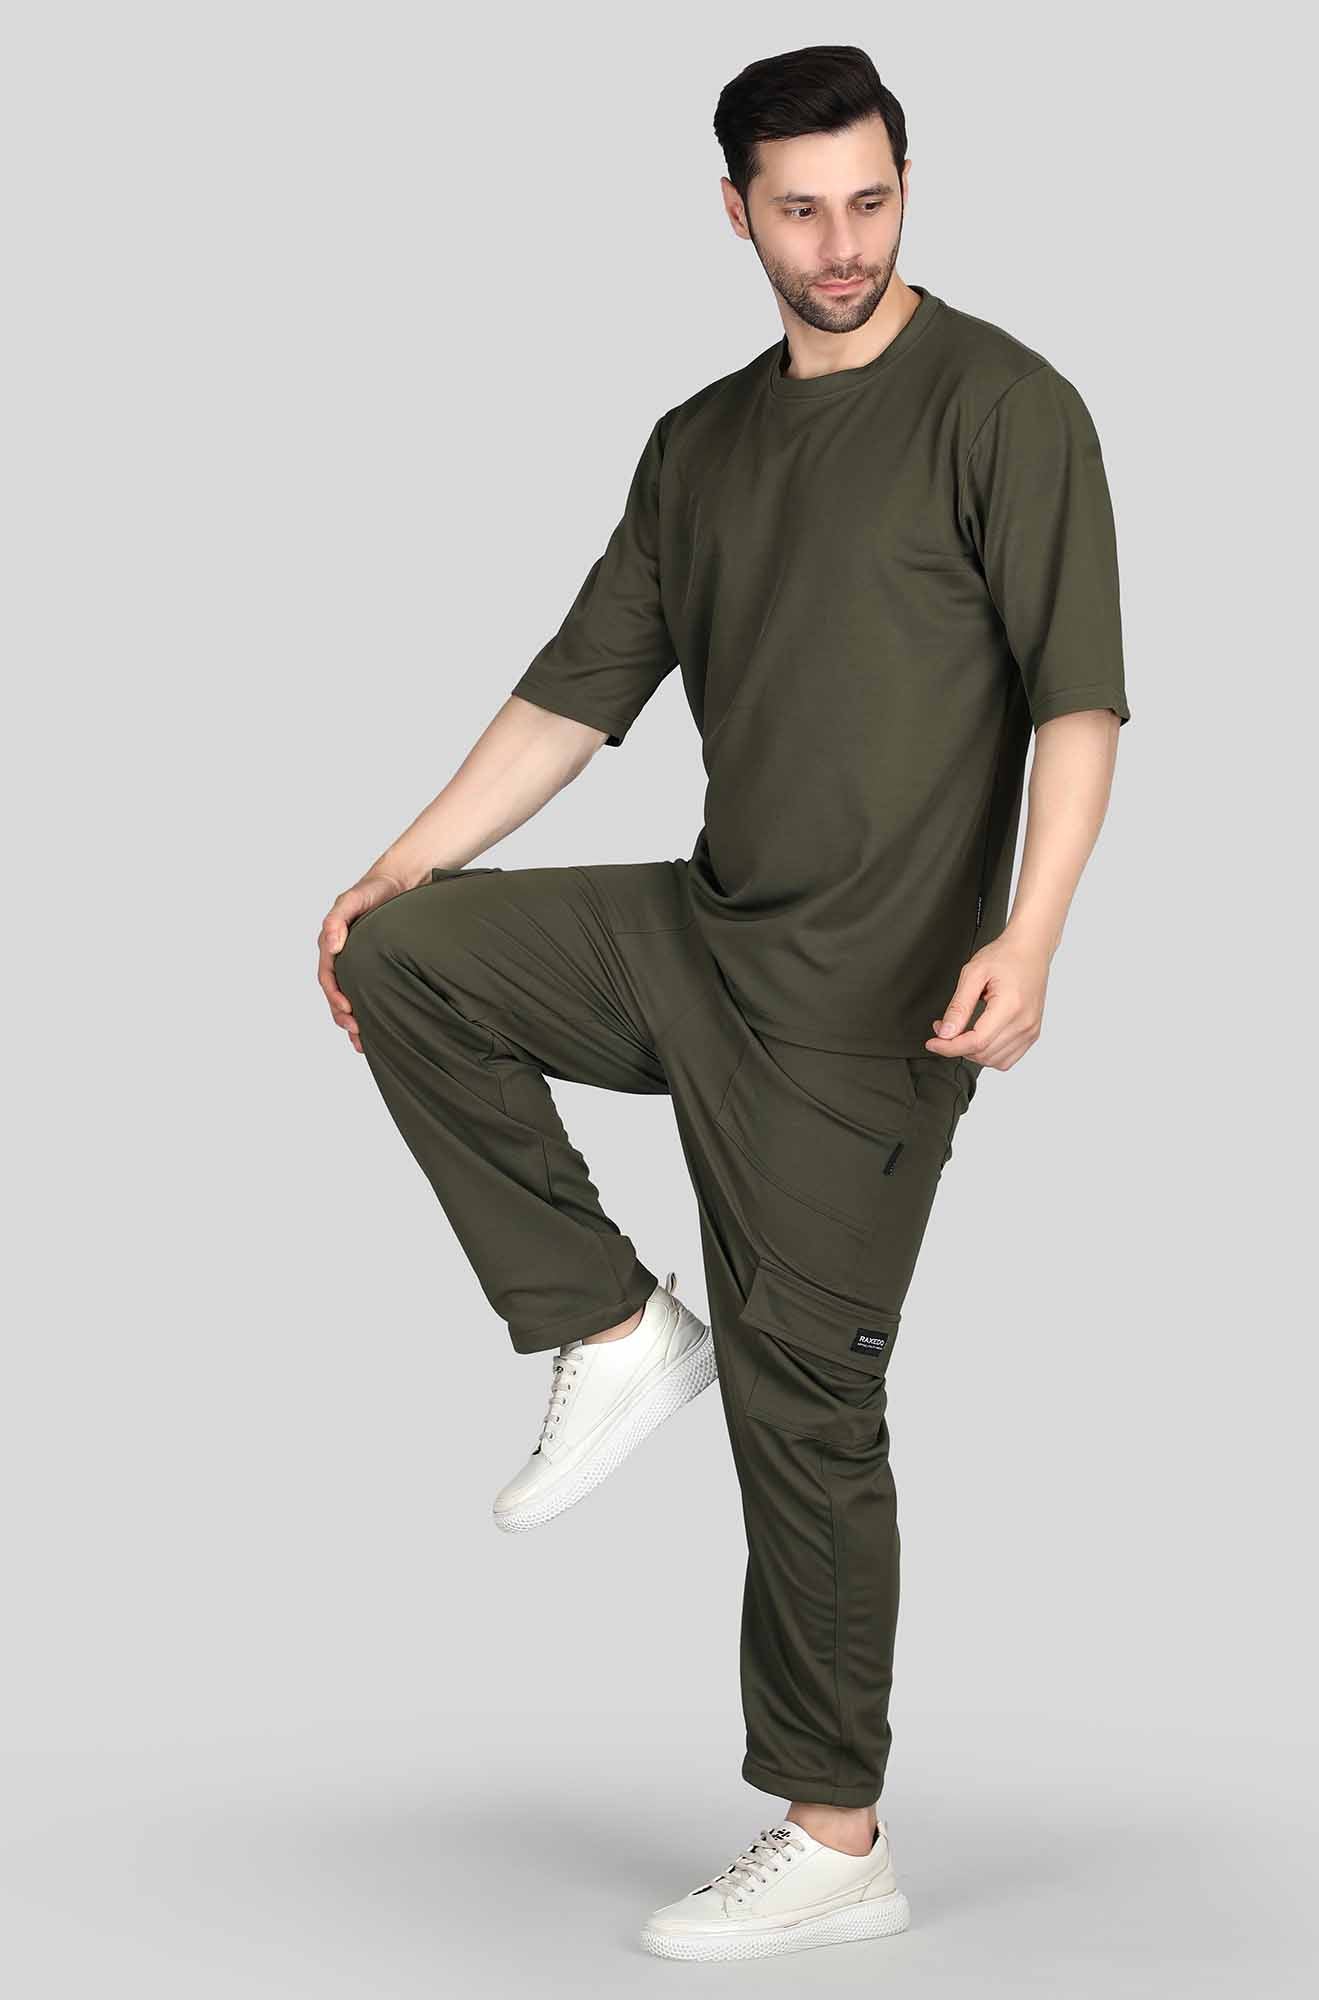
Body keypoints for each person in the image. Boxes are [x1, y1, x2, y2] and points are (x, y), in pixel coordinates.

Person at [317, 43, 1128, 1962]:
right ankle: (608, 1325)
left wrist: (1035, 931)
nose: (842, 245)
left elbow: (1077, 700)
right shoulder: (699, 445)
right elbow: (573, 697)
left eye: (872, 201)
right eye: (801, 210)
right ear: (736, 213)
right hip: (704, 934)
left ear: (908, 184)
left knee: (806, 1398)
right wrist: (394, 863)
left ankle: (836, 1838)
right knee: (400, 956)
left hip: (872, 1004)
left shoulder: (1008, 407)